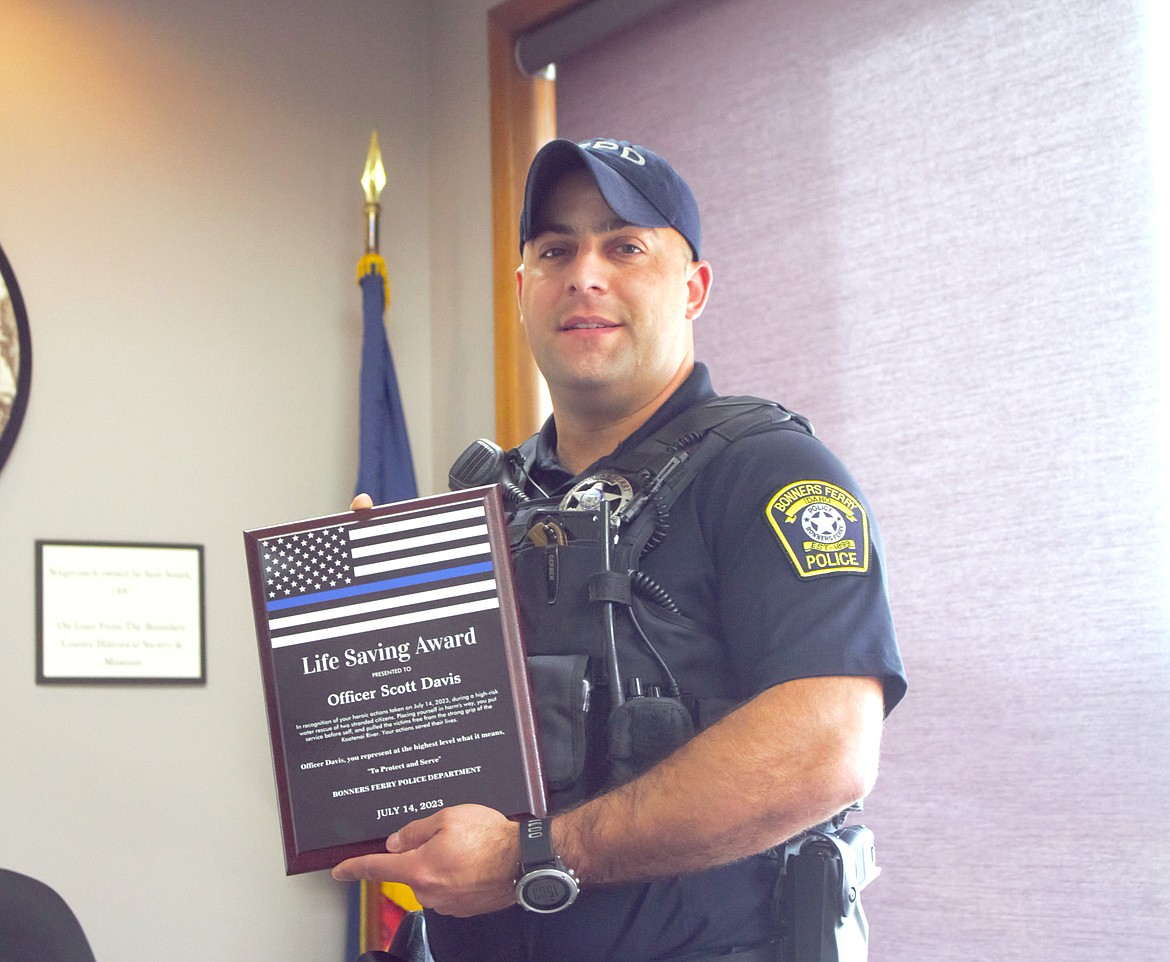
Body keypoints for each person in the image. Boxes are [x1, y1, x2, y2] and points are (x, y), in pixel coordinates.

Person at [335, 137, 907, 962]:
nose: (585, 274)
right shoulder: (484, 506)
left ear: (694, 287)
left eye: (624, 245)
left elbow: (825, 749)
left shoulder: (771, 476)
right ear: (525, 286)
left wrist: (530, 858)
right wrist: (364, 633)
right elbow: (426, 756)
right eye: (555, 249)